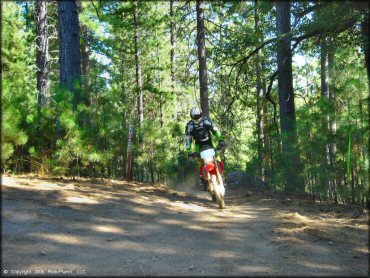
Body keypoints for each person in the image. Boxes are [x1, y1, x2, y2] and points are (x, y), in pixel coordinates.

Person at [185, 107, 227, 191]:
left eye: (197, 116)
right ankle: (204, 181)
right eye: (194, 116)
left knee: (217, 158)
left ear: (201, 114)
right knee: (201, 162)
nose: (196, 118)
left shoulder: (206, 121)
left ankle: (222, 176)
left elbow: (215, 130)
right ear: (191, 116)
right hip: (198, 145)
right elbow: (188, 138)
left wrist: (221, 140)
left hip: (209, 143)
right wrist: (189, 151)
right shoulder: (189, 126)